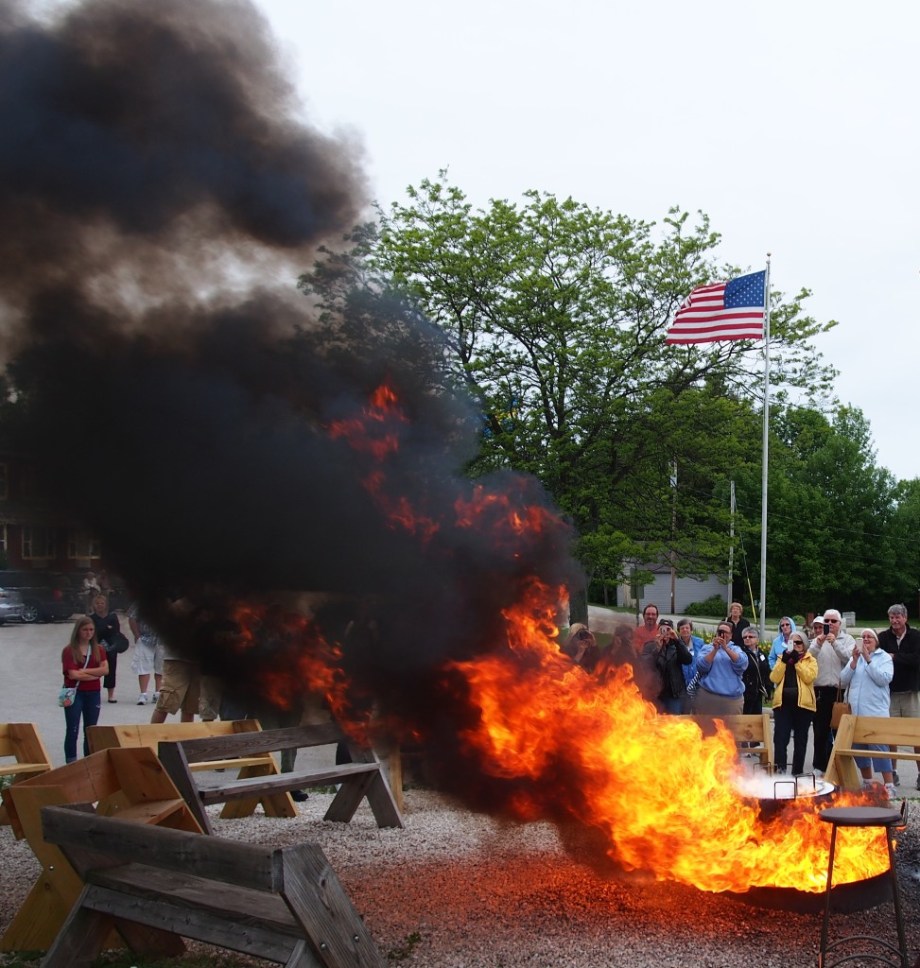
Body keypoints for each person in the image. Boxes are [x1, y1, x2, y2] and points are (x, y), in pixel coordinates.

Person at [840, 628, 896, 797]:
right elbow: (842, 681)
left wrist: (868, 659)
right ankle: (868, 782)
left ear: (876, 641)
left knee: (879, 749)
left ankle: (889, 785)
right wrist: (854, 662)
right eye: (862, 637)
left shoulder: (884, 657)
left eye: (869, 637)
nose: (865, 639)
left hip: (875, 713)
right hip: (855, 713)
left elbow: (884, 679)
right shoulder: (855, 658)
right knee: (859, 748)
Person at [877, 603, 920, 788]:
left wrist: (895, 657)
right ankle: (892, 772)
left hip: (911, 692)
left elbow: (917, 660)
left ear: (905, 618)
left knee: (916, 735)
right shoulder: (883, 637)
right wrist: (900, 658)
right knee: (890, 735)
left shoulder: (916, 636)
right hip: (890, 692)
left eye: (898, 617)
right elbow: (879, 657)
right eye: (892, 617)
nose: (894, 620)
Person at [808, 608, 854, 776]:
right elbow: (808, 657)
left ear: (840, 623)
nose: (829, 624)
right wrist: (819, 642)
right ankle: (819, 766)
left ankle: (840, 767)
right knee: (820, 731)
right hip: (820, 689)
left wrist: (834, 642)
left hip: (838, 692)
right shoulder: (817, 639)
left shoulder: (847, 639)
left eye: (833, 621)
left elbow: (849, 658)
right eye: (826, 621)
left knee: (840, 732)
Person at [769, 630, 817, 776]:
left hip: (803, 706)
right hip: (783, 705)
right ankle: (780, 770)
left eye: (798, 642)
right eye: (792, 642)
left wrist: (797, 663)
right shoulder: (781, 657)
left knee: (801, 740)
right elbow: (774, 678)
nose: (795, 645)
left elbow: (809, 678)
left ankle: (797, 771)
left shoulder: (810, 660)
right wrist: (784, 662)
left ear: (804, 645)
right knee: (780, 738)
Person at [61, 615, 108, 763]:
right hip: (74, 693)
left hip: (93, 692)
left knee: (91, 730)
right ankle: (71, 761)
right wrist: (95, 673)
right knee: (72, 729)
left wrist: (85, 672)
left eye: (91, 630)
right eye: (85, 630)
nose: (88, 633)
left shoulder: (98, 649)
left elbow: (105, 670)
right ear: (78, 631)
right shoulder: (69, 650)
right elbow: (73, 674)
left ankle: (89, 760)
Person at [693, 622, 748, 715]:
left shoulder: (736, 649)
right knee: (705, 728)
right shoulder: (707, 648)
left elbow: (742, 664)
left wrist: (726, 648)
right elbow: (701, 667)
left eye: (726, 632)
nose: (723, 634)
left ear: (731, 636)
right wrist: (715, 649)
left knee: (732, 728)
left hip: (732, 698)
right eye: (720, 631)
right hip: (709, 695)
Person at [647, 618, 692, 714]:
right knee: (656, 723)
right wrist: (657, 649)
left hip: (674, 694)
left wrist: (676, 640)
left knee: (674, 723)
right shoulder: (650, 645)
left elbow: (688, 660)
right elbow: (644, 664)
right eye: (662, 629)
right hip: (656, 694)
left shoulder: (677, 645)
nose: (665, 632)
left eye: (668, 630)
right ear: (658, 630)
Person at [127, 601, 163, 705]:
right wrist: (137, 635)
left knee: (160, 667)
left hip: (162, 640)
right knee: (143, 666)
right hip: (145, 639)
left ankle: (158, 693)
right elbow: (132, 617)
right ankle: (143, 694)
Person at [89, 592, 121, 703]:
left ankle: (111, 695)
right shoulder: (90, 618)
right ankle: (92, 693)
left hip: (110, 647)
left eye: (102, 603)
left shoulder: (112, 616)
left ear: (106, 604)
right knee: (93, 670)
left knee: (111, 671)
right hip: (95, 647)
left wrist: (106, 630)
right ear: (94, 605)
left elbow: (116, 631)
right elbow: (90, 633)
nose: (100, 605)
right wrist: (107, 629)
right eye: (97, 603)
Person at [739, 628, 770, 714]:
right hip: (745, 693)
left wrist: (768, 688)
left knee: (756, 720)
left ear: (757, 639)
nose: (747, 638)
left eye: (750, 636)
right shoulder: (741, 653)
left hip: (758, 693)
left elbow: (766, 671)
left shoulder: (762, 654)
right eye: (745, 637)